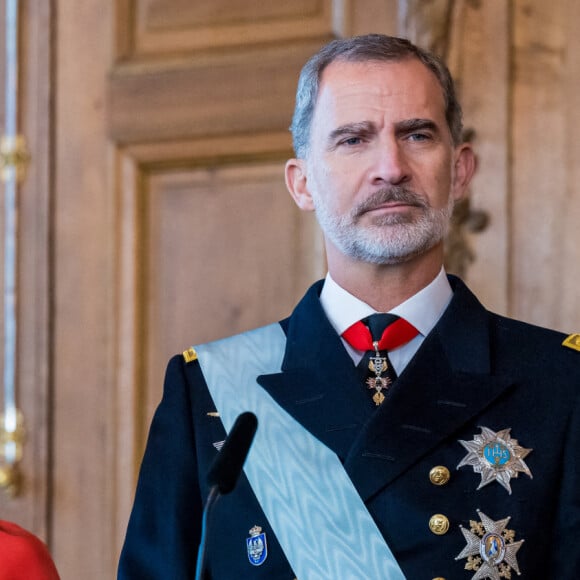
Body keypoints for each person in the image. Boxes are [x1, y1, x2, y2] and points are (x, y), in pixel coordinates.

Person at [118, 34, 580, 579]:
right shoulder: (209, 392)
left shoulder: (561, 381)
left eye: (417, 134)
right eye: (353, 139)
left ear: (459, 171)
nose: (391, 167)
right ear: (303, 182)